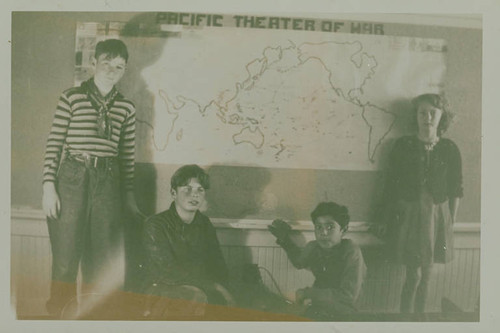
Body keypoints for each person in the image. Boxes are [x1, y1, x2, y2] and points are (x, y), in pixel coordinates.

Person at [42, 39, 144, 317]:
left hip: (108, 182)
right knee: (64, 259)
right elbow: (54, 143)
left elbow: (126, 157)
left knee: (100, 261)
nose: (112, 70)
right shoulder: (71, 97)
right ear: (94, 63)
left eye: (119, 66)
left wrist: (129, 197)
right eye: (107, 63)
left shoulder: (126, 108)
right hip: (72, 178)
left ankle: (95, 319)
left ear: (124, 70)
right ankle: (60, 317)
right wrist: (49, 186)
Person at [380, 93, 463, 314]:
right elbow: (390, 186)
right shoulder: (402, 145)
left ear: (441, 116)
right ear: (415, 116)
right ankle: (405, 320)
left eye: (432, 113)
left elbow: (456, 188)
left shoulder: (450, 148)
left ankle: (420, 320)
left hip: (437, 216)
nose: (427, 117)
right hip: (409, 216)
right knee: (413, 275)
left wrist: (451, 220)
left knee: (427, 275)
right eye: (422, 113)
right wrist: (387, 217)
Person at [141, 165, 234, 318]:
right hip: (161, 287)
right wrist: (213, 285)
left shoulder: (204, 223)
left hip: (200, 285)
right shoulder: (155, 224)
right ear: (173, 193)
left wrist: (224, 289)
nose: (194, 195)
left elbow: (217, 263)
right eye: (187, 188)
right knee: (194, 295)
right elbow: (167, 270)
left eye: (200, 190)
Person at [268, 202, 367, 320]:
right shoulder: (314, 247)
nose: (323, 233)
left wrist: (306, 294)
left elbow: (347, 297)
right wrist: (284, 238)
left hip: (344, 312)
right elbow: (299, 262)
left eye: (330, 227)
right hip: (318, 307)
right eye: (318, 227)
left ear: (343, 230)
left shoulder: (351, 251)